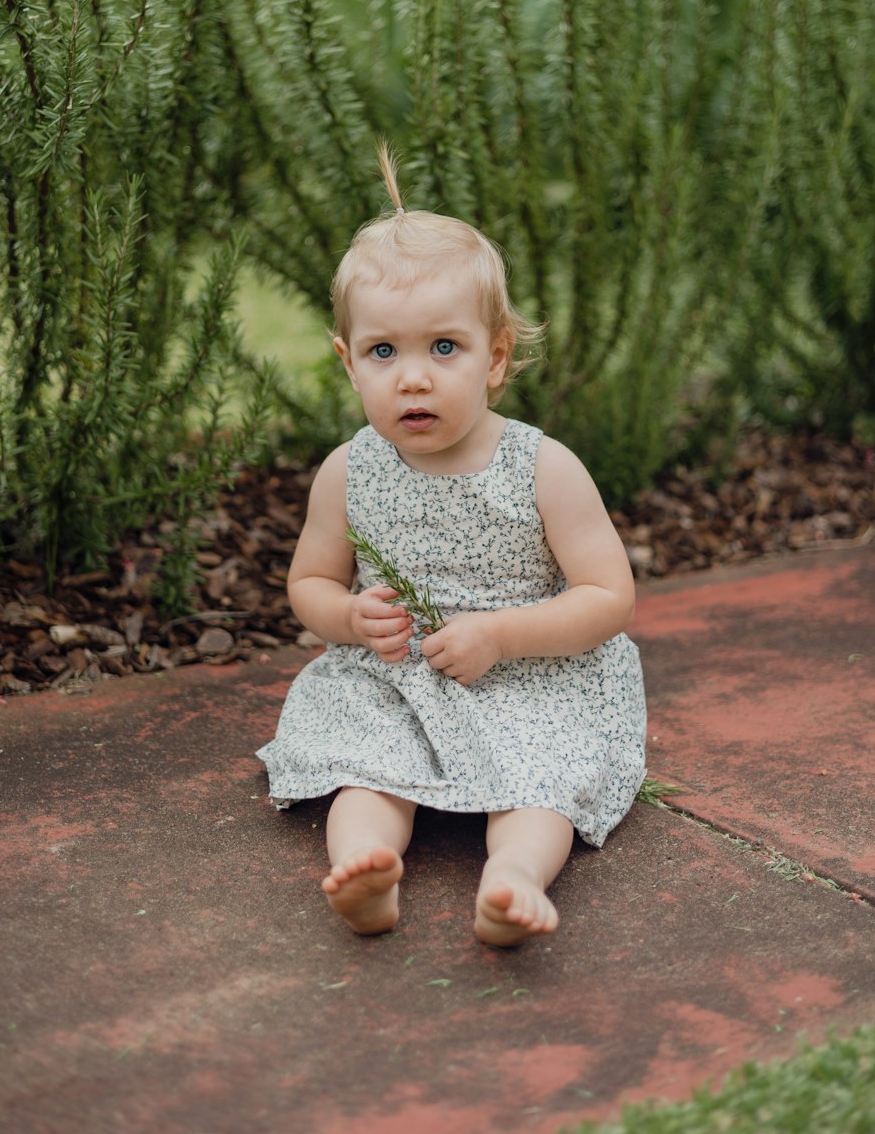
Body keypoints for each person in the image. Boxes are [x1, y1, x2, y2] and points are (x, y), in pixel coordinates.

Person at [256, 147, 646, 947]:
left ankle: (513, 878)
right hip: (398, 680)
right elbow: (310, 584)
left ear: (495, 356)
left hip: (532, 677)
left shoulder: (541, 467)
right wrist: (350, 617)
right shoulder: (348, 472)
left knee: (540, 786)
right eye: (383, 352)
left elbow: (609, 596)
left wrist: (501, 635)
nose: (412, 379)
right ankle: (367, 867)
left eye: (444, 348)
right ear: (348, 361)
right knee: (363, 765)